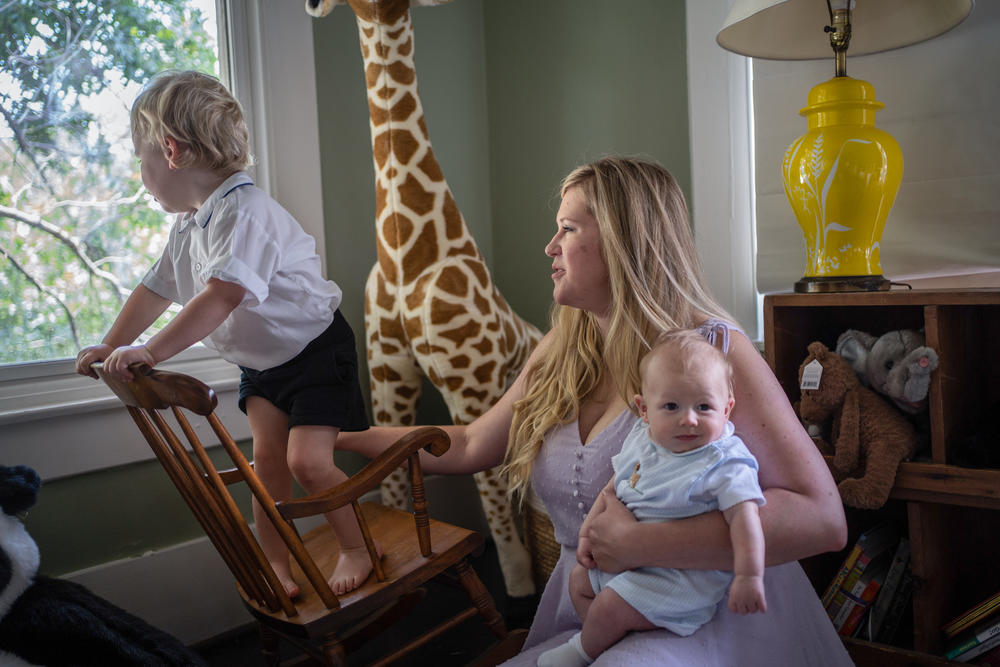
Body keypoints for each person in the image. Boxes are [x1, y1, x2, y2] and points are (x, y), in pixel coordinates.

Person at [338, 156, 852, 665]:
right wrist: (342, 439)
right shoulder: (562, 347)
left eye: (566, 228)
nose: (550, 247)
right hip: (589, 608)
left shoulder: (711, 349)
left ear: (624, 242)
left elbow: (822, 519)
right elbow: (472, 443)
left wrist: (644, 543)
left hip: (704, 611)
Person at [75, 70, 371, 598]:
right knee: (267, 467)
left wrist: (150, 349)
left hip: (316, 353)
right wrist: (111, 340)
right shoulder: (191, 226)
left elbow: (221, 296)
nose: (141, 175)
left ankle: (354, 546)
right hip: (263, 366)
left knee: (307, 461)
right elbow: (155, 289)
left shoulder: (247, 212)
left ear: (170, 151)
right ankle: (276, 563)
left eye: (140, 160)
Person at [537, 329, 766, 667]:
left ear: (727, 409)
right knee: (579, 582)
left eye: (704, 406)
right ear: (644, 409)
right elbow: (613, 488)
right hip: (631, 566)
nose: (688, 419)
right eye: (671, 406)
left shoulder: (723, 461)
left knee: (611, 604)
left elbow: (746, 520)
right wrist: (587, 534)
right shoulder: (643, 439)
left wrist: (749, 576)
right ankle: (607, 634)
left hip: (681, 579)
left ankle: (583, 650)